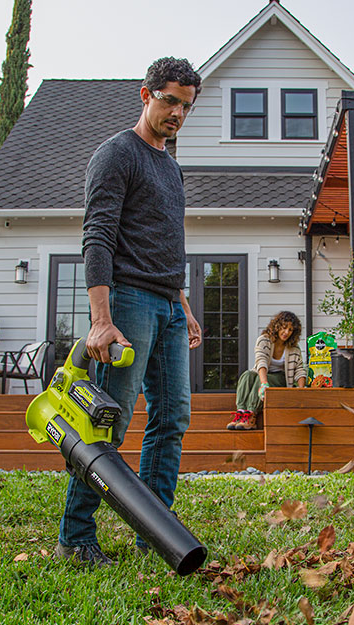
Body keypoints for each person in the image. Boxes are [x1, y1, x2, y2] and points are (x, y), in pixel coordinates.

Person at [55, 57, 202, 568]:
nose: (177, 113)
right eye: (169, 101)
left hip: (167, 304)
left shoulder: (171, 167)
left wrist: (182, 302)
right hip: (129, 302)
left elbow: (166, 242)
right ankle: (76, 537)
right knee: (108, 423)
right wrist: (101, 318)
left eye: (185, 105)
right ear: (146, 95)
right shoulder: (117, 154)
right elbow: (97, 236)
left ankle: (154, 532)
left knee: (172, 418)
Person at [227, 311, 306, 430]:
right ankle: (241, 413)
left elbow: (300, 369)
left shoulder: (294, 348)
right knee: (247, 375)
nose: (286, 332)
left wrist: (301, 389)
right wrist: (264, 384)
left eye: (290, 330)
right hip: (263, 373)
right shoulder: (264, 340)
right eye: (284, 328)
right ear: (277, 326)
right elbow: (261, 361)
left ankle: (251, 415)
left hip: (280, 378)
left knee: (263, 378)